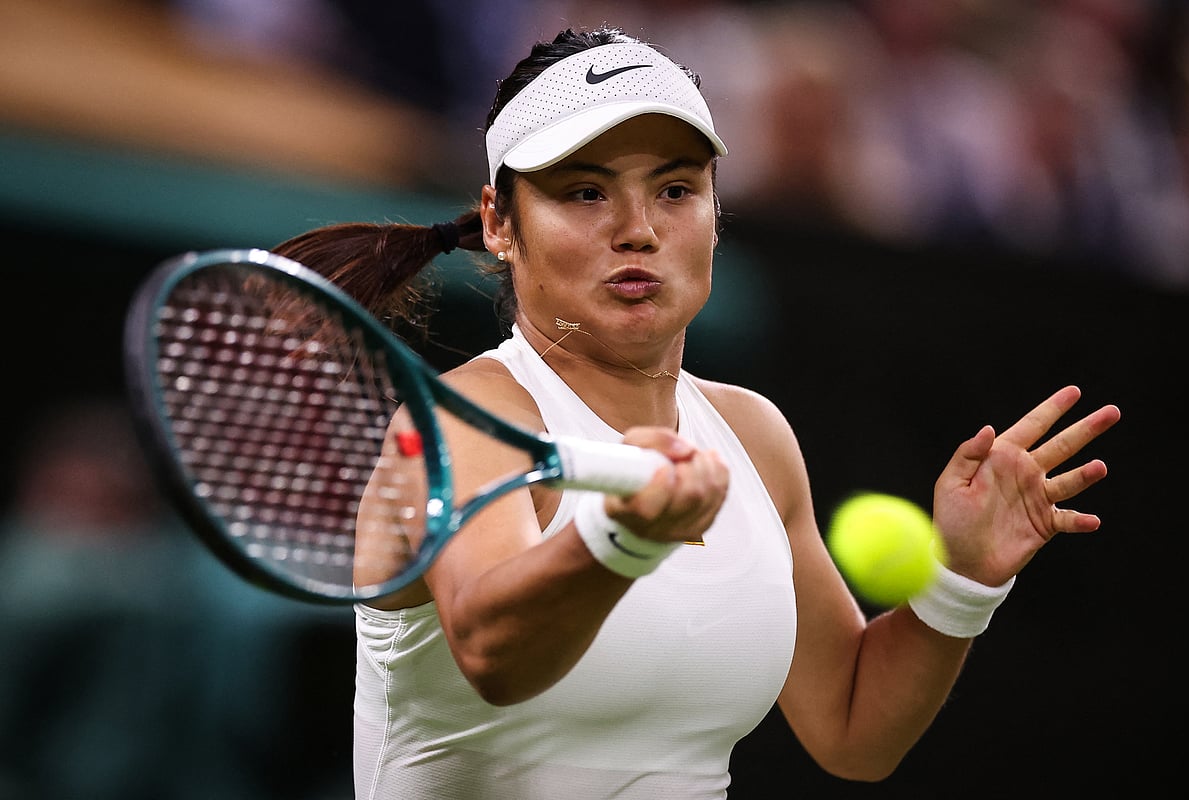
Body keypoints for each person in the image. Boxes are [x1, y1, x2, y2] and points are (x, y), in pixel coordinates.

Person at [269, 26, 1122, 799]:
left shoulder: (755, 435)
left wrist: (962, 584)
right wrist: (622, 538)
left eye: (676, 190)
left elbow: (854, 732)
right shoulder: (462, 423)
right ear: (499, 222)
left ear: (716, 217)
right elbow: (494, 653)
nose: (638, 228)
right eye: (584, 192)